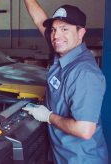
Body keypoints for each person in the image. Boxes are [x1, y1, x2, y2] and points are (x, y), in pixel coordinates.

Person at [22, 1, 108, 163]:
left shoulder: (84, 73)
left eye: (65, 29)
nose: (56, 35)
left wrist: (48, 116)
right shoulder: (63, 53)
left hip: (81, 159)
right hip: (61, 156)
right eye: (54, 29)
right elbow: (39, 19)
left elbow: (85, 130)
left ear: (81, 32)